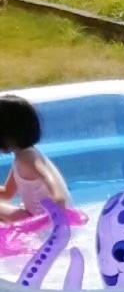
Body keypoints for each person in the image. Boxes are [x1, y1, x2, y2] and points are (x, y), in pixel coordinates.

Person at [0, 95, 70, 224]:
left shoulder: (27, 158)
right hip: (40, 220)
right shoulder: (23, 156)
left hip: (43, 224)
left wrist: (59, 202)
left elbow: (51, 181)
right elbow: (7, 193)